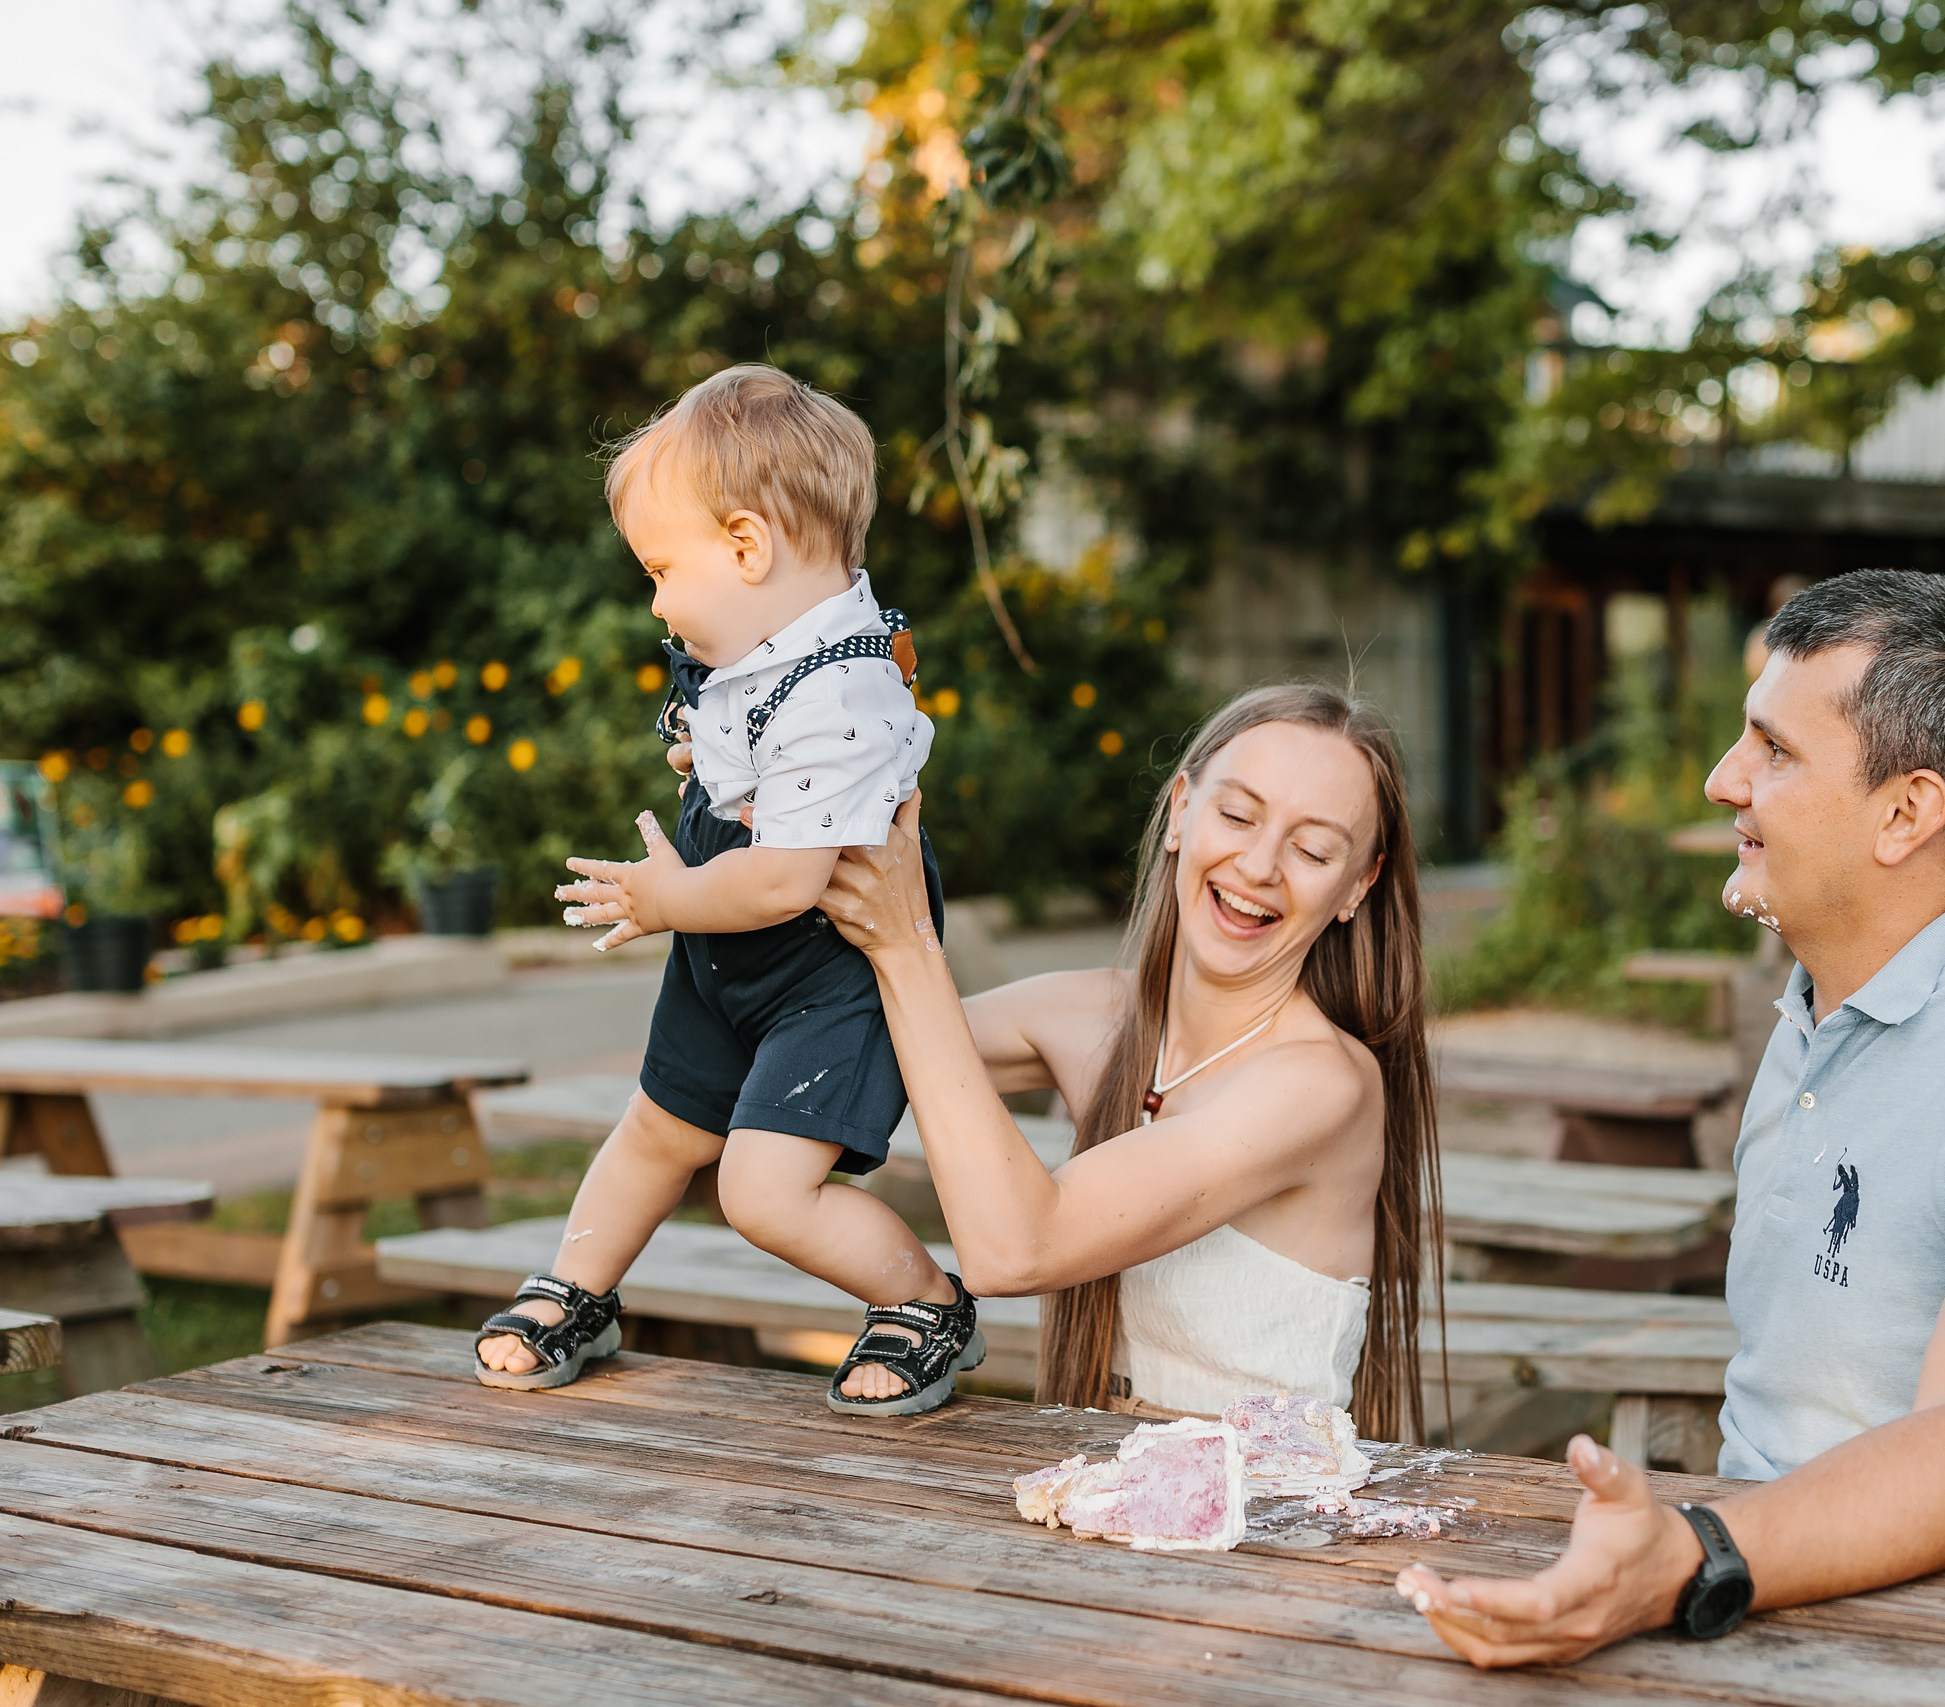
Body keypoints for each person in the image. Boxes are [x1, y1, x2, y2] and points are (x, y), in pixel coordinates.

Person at [1401, 569, 1945, 1665]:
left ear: (1906, 814)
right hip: (1779, 1605)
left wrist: (1685, 1556)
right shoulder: (1823, 1010)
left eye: (1774, 751)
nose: (1719, 781)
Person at [476, 363, 971, 1418]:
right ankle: (579, 1288)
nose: (655, 600)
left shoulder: (843, 688)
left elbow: (788, 880)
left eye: (660, 570)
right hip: (728, 929)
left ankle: (923, 1301)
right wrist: (707, 768)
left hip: (823, 959)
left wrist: (662, 900)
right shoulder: (767, 641)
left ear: (747, 548)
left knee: (760, 1188)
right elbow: (743, 755)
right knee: (657, 1125)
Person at [813, 684, 1441, 1438]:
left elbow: (1012, 1250)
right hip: (1086, 1479)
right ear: (1182, 811)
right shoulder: (1092, 1017)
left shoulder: (1320, 1084)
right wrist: (749, 818)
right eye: (1238, 815)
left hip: (1258, 1522)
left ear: (1357, 886)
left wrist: (905, 942)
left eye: (1312, 849)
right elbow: (837, 1038)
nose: (1261, 863)